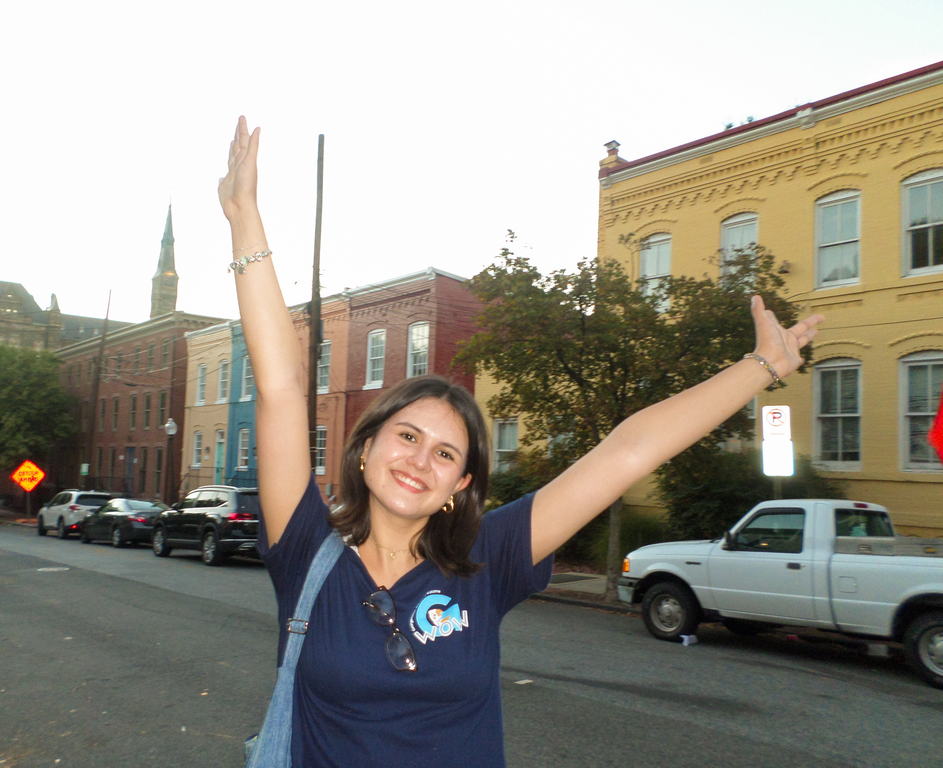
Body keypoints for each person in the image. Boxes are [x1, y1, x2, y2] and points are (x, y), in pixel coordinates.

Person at [218, 115, 824, 767]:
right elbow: (281, 385)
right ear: (365, 450)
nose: (421, 459)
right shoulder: (306, 549)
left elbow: (628, 451)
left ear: (461, 485)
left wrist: (760, 367)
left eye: (445, 453)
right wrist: (244, 214)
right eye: (408, 435)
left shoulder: (487, 558)